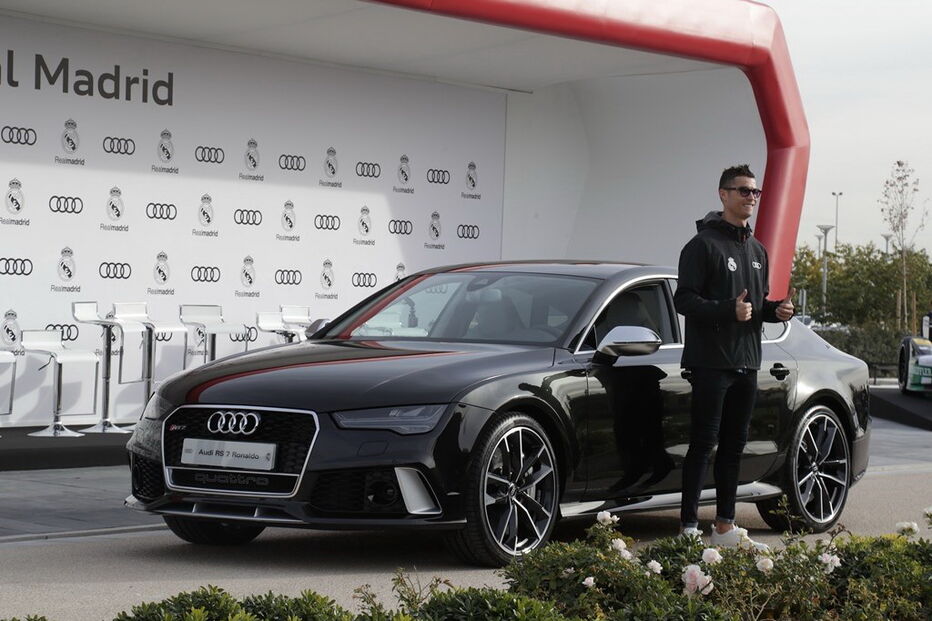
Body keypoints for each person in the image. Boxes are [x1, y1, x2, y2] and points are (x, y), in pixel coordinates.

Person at [674, 164, 794, 548]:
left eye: (755, 192)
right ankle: (689, 528)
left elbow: (753, 307)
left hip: (747, 362)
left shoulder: (758, 250)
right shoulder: (701, 245)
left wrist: (773, 310)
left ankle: (724, 526)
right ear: (723, 194)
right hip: (711, 363)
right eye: (743, 190)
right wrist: (727, 310)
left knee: (733, 448)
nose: (750, 198)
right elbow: (684, 300)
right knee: (703, 444)